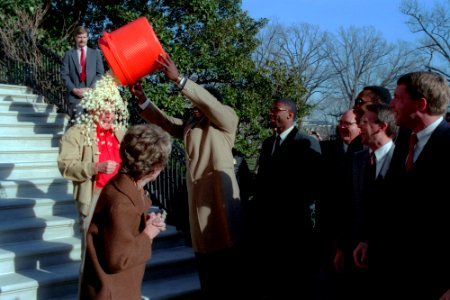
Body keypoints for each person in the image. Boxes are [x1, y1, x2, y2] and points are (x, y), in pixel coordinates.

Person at [129, 54, 243, 300]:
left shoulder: (226, 120)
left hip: (218, 199)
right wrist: (143, 100)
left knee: (227, 265)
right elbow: (166, 123)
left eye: (196, 106)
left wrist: (179, 80)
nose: (193, 110)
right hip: (197, 200)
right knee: (205, 265)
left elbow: (210, 105)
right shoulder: (192, 124)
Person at [369, 71, 450, 299]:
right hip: (397, 275)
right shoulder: (405, 138)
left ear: (421, 104)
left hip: (434, 280)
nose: (391, 104)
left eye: (398, 97)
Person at [79, 123, 172, 300]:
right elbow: (118, 259)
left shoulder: (125, 186)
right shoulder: (122, 202)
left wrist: (146, 222)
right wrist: (148, 234)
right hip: (111, 293)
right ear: (155, 168)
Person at [249, 98, 322, 299]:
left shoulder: (306, 143)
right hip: (266, 228)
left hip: (293, 229)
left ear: (290, 114)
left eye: (276, 110)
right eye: (271, 109)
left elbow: (312, 185)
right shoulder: (268, 143)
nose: (271, 113)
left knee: (293, 283)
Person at [57, 72, 128, 265]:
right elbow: (66, 166)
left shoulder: (120, 132)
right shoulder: (76, 133)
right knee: (92, 254)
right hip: (94, 197)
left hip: (121, 197)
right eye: (104, 110)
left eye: (112, 110)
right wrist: (95, 167)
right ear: (93, 109)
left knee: (117, 252)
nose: (109, 115)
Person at [346, 103, 397, 300]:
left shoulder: (403, 160)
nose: (359, 127)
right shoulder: (358, 159)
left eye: (365, 122)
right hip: (355, 256)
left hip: (387, 262)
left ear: (382, 126)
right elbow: (351, 205)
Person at [316, 108, 363, 299]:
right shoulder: (326, 149)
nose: (342, 127)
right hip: (326, 229)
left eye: (348, 124)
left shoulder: (367, 153)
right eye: (341, 123)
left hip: (353, 236)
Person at [61, 26, 104, 116]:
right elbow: (64, 75)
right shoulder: (68, 55)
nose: (82, 40)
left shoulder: (96, 53)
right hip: (75, 96)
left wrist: (91, 89)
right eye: (79, 37)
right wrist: (74, 90)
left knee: (92, 126)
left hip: (92, 95)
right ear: (75, 38)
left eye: (84, 37)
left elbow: (100, 73)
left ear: (87, 38)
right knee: (77, 124)